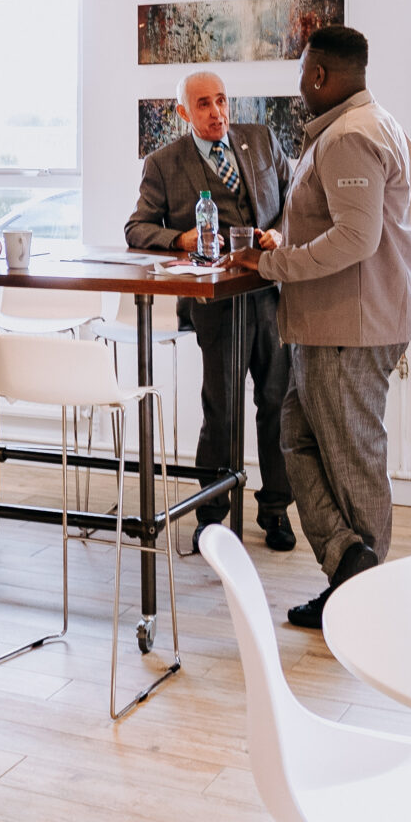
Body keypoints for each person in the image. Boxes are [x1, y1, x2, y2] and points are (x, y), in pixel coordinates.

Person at [224, 26, 411, 630]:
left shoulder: (349, 136)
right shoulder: (369, 124)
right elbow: (349, 224)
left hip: (349, 327)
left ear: (318, 76)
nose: (299, 84)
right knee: (300, 439)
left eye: (302, 72)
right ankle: (349, 565)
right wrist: (285, 240)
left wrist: (274, 262)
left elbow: (356, 239)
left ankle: (366, 598)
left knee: (354, 456)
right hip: (339, 322)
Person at [124, 70, 297, 551]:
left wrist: (280, 232)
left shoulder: (260, 140)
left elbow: (294, 197)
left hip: (269, 292)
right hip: (214, 303)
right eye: (203, 104)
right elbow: (137, 228)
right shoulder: (163, 163)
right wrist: (179, 239)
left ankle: (276, 510)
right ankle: (212, 514)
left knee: (276, 403)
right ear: (183, 112)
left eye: (221, 101)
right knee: (221, 408)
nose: (217, 112)